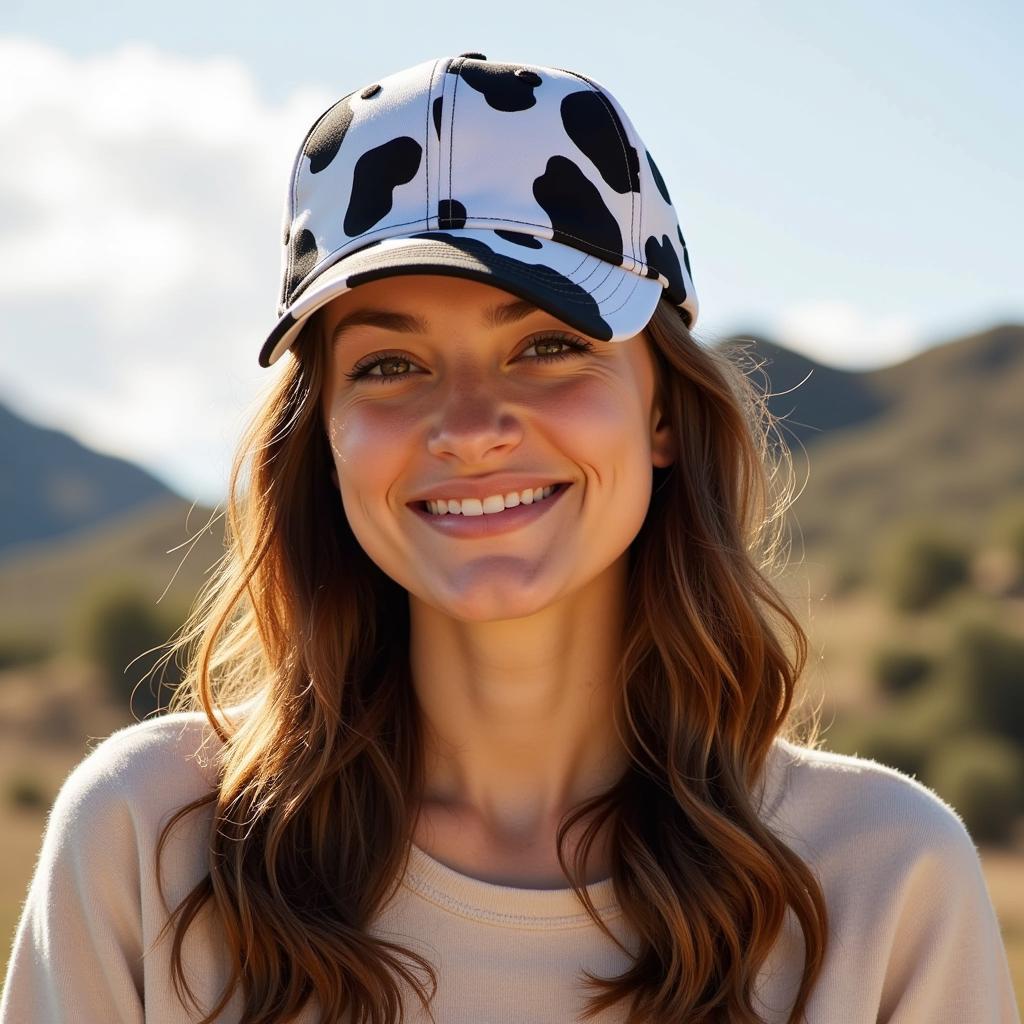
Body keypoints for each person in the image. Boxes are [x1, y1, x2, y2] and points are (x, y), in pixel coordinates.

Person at [1, 53, 1019, 1024]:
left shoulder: (879, 876)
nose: (471, 426)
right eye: (390, 366)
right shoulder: (149, 840)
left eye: (547, 344)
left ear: (662, 411)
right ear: (322, 438)